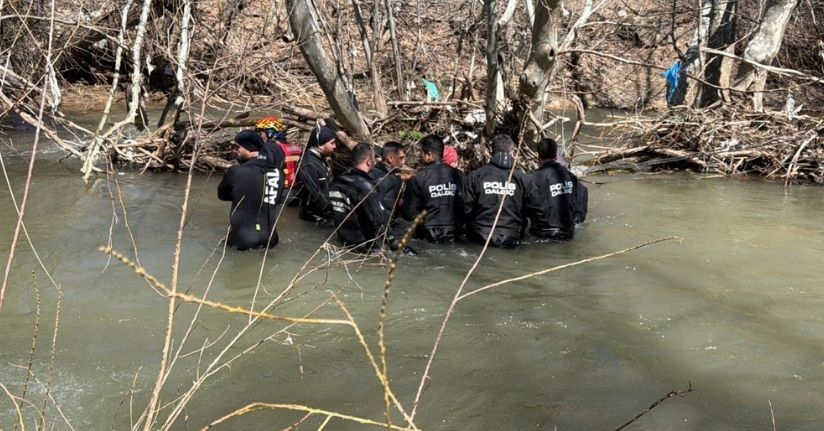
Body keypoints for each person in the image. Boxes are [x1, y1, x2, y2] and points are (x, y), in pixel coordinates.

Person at [217, 130, 284, 250]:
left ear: (249, 148)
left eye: (237, 147)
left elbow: (222, 195)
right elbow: (276, 199)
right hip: (270, 239)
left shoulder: (236, 171)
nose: (234, 150)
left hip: (242, 239)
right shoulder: (278, 172)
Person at [463, 134, 532, 248]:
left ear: (491, 151)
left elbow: (466, 209)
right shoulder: (523, 179)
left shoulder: (475, 176)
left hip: (479, 239)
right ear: (512, 152)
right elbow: (532, 210)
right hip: (511, 239)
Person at [401, 134, 464, 242]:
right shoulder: (459, 176)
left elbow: (409, 214)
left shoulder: (419, 178)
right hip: (455, 235)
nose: (420, 156)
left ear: (428, 155)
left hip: (428, 235)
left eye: (421, 153)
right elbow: (466, 206)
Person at [329, 143, 388, 253]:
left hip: (342, 243)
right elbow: (379, 220)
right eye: (374, 158)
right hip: (364, 248)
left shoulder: (338, 180)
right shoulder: (365, 187)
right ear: (369, 161)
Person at [526, 138, 588, 241]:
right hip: (567, 233)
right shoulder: (571, 177)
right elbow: (581, 202)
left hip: (542, 235)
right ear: (555, 156)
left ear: (538, 156)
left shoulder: (533, 178)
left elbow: (527, 207)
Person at [294, 123, 337, 226]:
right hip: (314, 217)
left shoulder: (320, 159)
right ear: (320, 145)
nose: (335, 146)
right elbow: (315, 194)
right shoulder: (308, 164)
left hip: (323, 213)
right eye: (332, 143)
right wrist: (334, 211)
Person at [255, 116, 303, 190]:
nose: (259, 137)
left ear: (269, 133)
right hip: (296, 190)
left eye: (261, 133)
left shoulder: (269, 147)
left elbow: (262, 172)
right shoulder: (295, 147)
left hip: (279, 191)